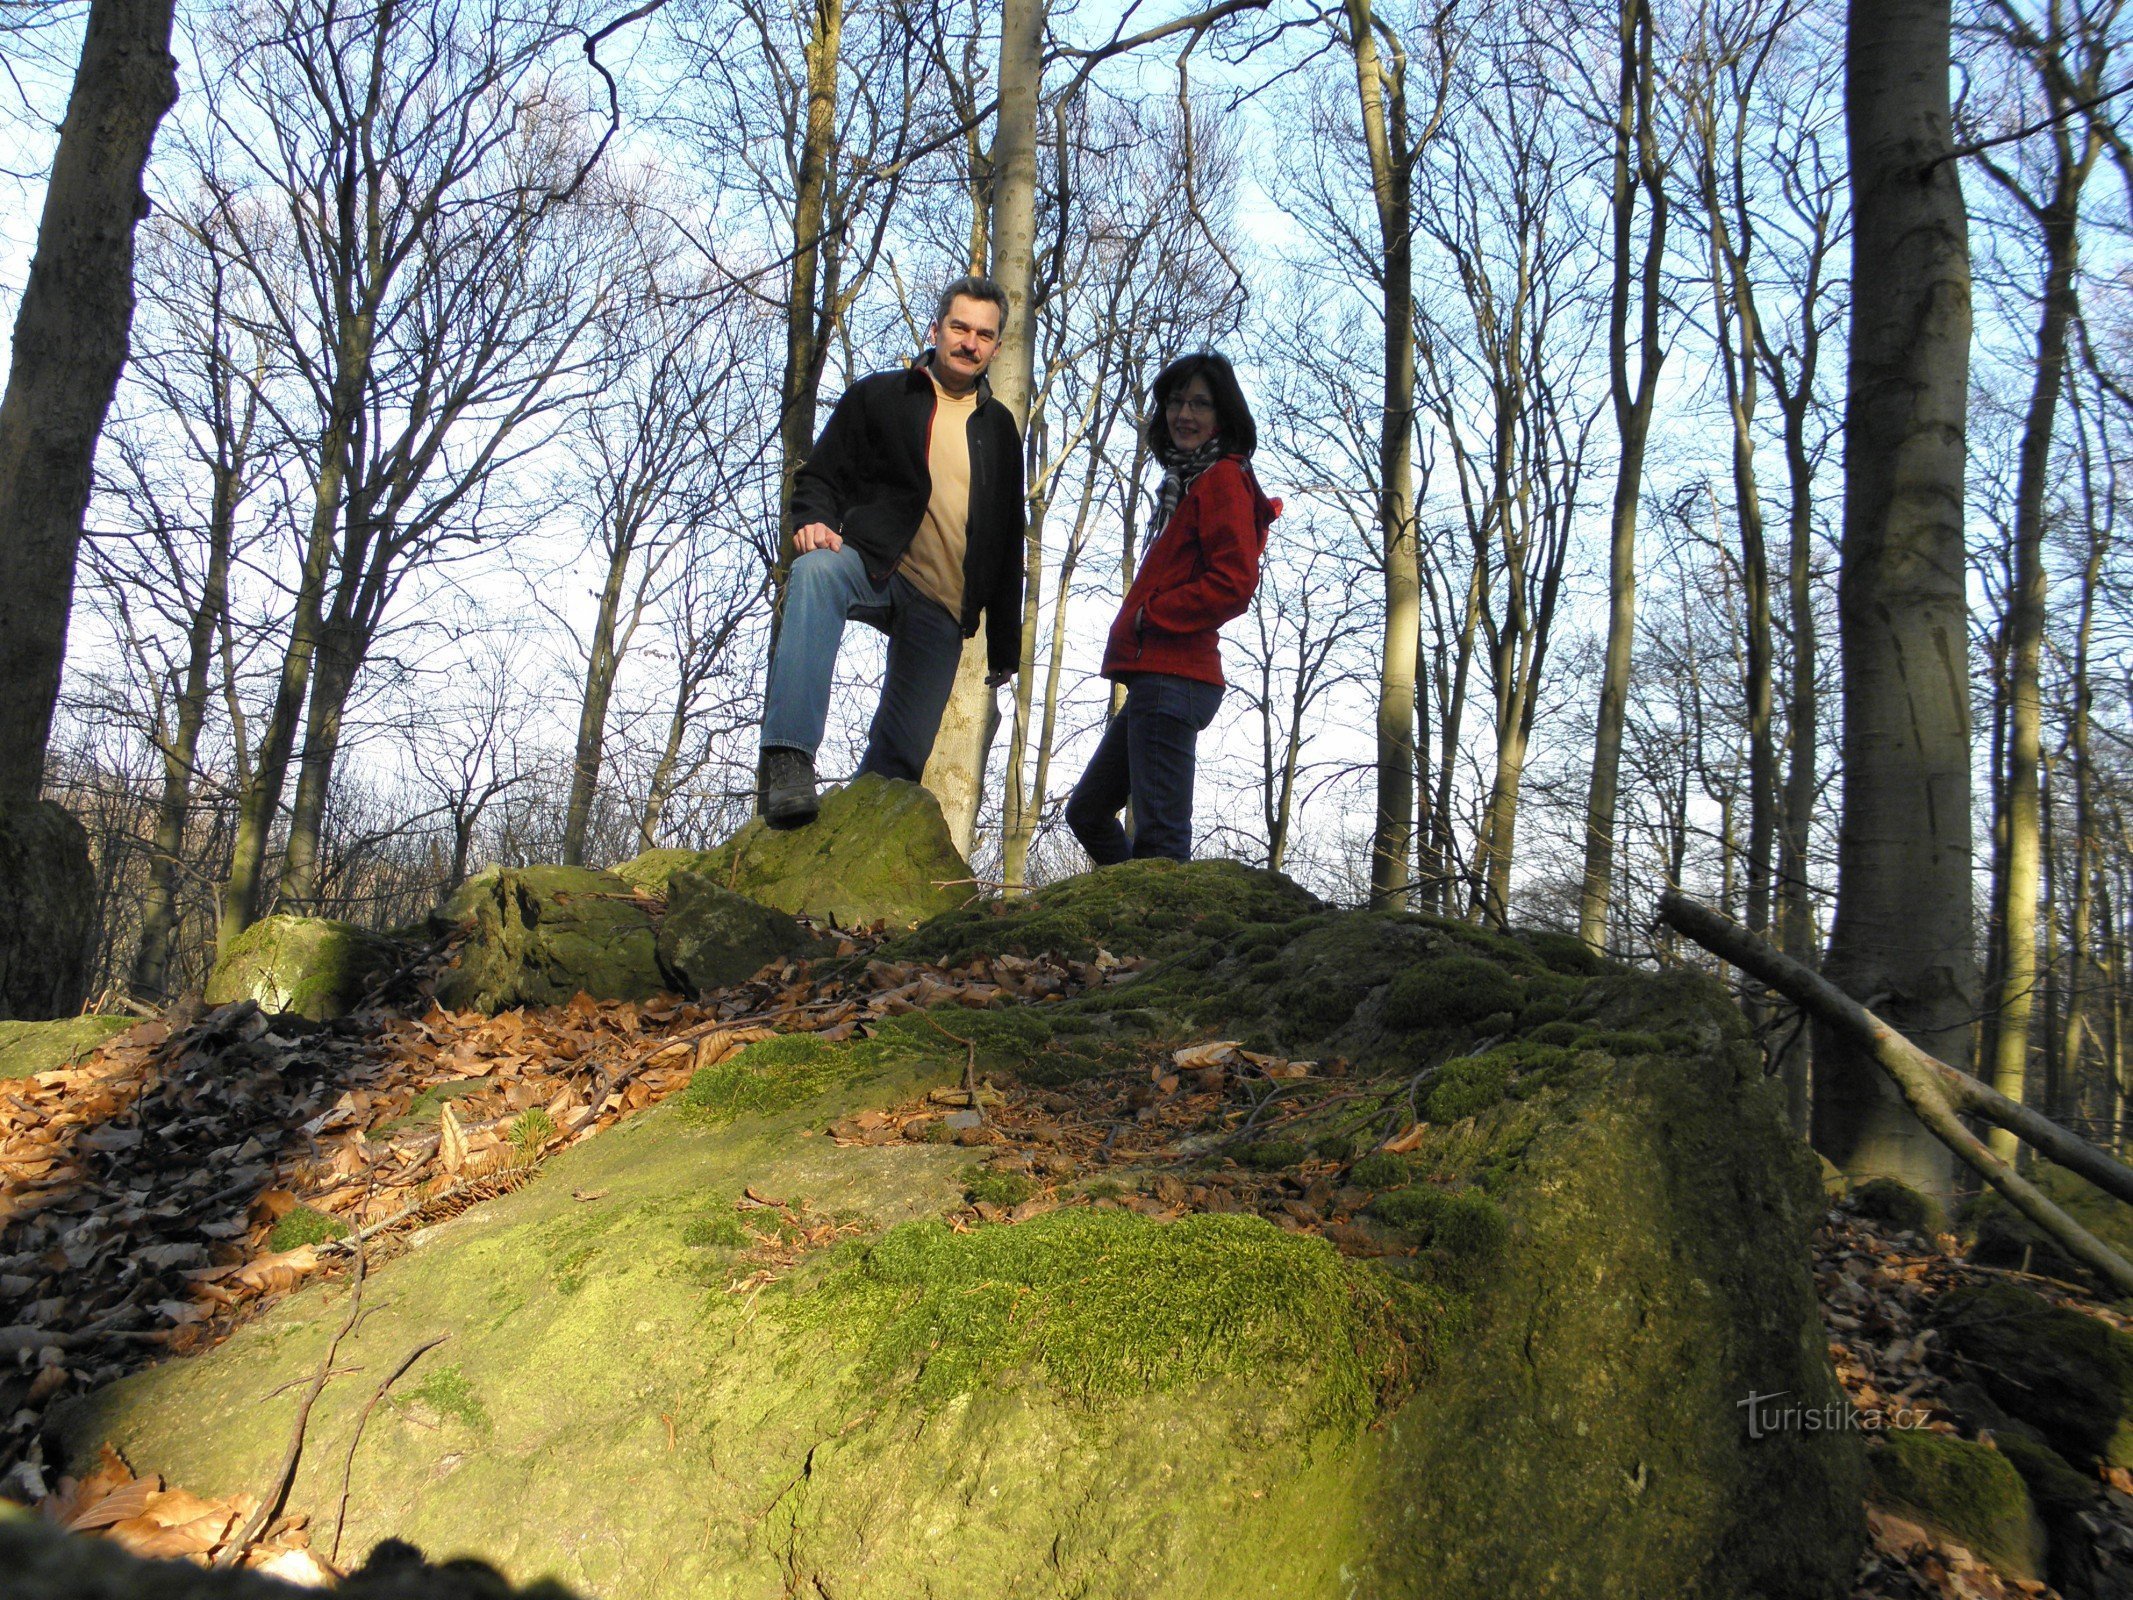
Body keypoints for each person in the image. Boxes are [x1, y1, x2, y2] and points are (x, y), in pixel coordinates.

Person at [757, 276, 1025, 827]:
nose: (969, 343)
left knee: (897, 765)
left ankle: (844, 851)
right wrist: (813, 522)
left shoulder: (999, 430)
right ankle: (788, 760)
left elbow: (1006, 536)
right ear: (936, 329)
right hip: (876, 565)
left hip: (944, 604)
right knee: (816, 573)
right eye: (959, 327)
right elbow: (821, 476)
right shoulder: (880, 395)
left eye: (983, 334)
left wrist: (1004, 643)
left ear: (996, 347)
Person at [1066, 350, 1277, 865]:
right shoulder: (1184, 483)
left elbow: (1234, 581)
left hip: (1176, 675)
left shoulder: (1223, 478)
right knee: (1089, 811)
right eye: (1176, 402)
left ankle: (1156, 941)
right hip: (1156, 676)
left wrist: (1152, 615)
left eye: (1200, 404)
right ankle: (1131, 916)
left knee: (1161, 843)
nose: (1185, 414)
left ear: (1223, 415)